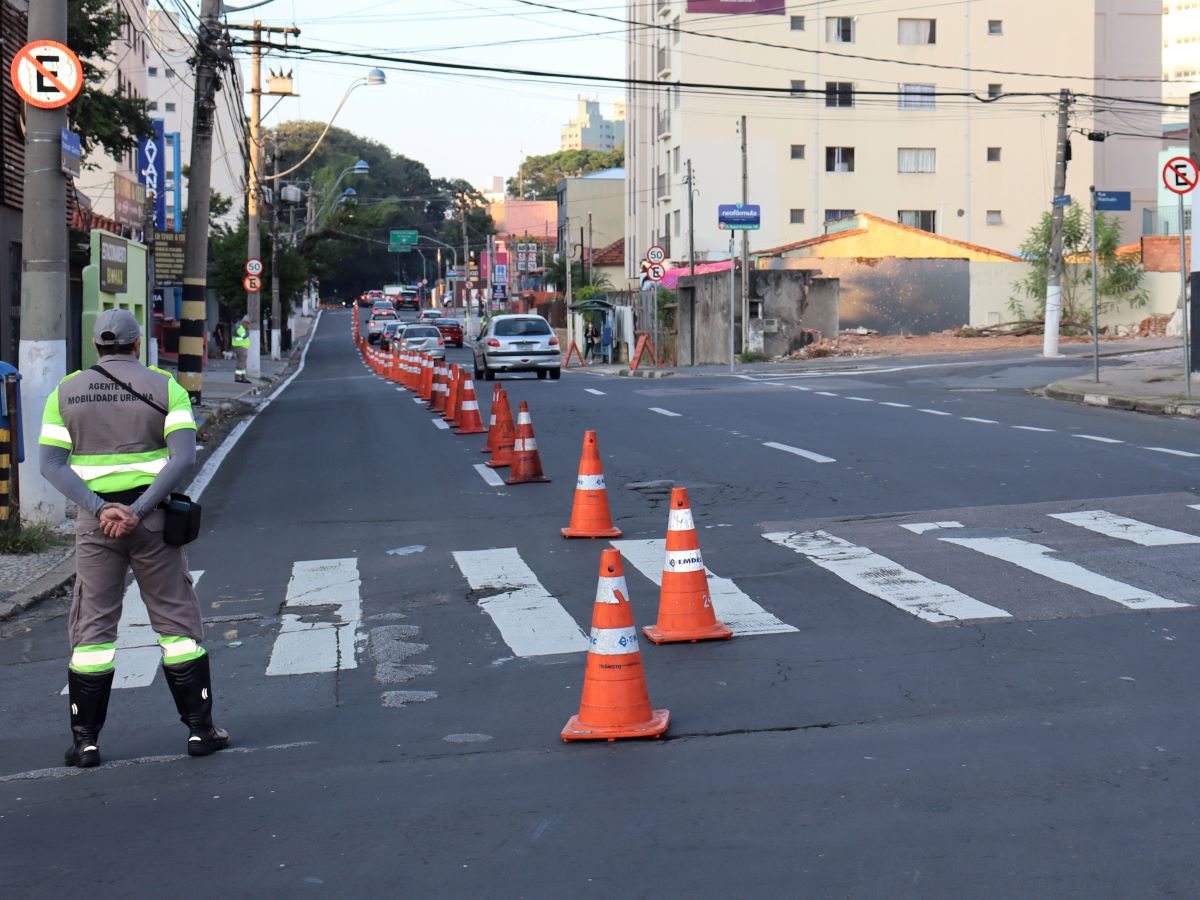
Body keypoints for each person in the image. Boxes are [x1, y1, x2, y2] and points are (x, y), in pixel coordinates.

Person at [39, 309, 229, 768]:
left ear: (95, 344)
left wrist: (101, 509)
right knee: (176, 623)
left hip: (95, 524)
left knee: (93, 631)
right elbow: (182, 459)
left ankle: (85, 742)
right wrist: (139, 510)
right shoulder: (167, 387)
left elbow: (51, 465)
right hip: (154, 522)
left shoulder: (64, 391)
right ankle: (201, 731)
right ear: (137, 343)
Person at [232, 316, 251, 383]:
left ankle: (243, 377)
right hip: (240, 347)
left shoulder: (241, 327)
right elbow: (244, 336)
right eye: (247, 323)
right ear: (244, 322)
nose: (248, 325)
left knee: (243, 363)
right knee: (241, 363)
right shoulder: (239, 327)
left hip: (242, 347)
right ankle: (238, 377)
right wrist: (248, 330)